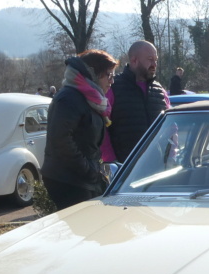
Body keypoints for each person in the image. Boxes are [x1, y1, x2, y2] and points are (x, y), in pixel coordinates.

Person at [42, 50, 118, 210]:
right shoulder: (68, 98)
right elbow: (61, 141)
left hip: (82, 178)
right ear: (93, 74)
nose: (112, 81)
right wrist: (88, 170)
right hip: (69, 180)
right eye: (108, 75)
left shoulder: (91, 99)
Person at [101, 40, 169, 163]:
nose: (154, 64)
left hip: (158, 167)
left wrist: (170, 156)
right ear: (134, 61)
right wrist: (111, 162)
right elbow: (101, 128)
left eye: (156, 60)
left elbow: (171, 128)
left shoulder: (160, 91)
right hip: (124, 170)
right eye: (150, 59)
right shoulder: (113, 88)